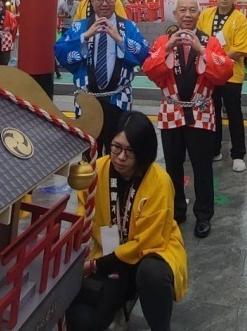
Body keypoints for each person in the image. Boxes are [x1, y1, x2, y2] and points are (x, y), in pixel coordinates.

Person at [66, 111, 186, 331]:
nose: (121, 157)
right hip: (110, 253)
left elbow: (147, 242)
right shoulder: (98, 169)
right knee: (84, 319)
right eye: (116, 147)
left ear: (144, 152)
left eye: (130, 151)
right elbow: (84, 210)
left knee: (153, 275)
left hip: (149, 253)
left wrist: (93, 265)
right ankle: (118, 302)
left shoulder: (159, 182)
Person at [143, 0, 232, 239]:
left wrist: (202, 50)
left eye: (193, 10)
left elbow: (224, 71)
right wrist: (168, 48)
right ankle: (176, 210)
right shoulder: (163, 40)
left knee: (202, 167)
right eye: (183, 10)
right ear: (175, 13)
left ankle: (204, 215)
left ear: (199, 12)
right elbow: (149, 69)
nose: (187, 15)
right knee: (172, 166)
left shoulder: (210, 41)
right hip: (171, 110)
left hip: (201, 110)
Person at [55, 0, 150, 154]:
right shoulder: (80, 26)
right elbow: (60, 50)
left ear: (116, 0)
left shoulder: (128, 27)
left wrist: (120, 40)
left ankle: (113, 183)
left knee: (117, 151)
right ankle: (93, 181)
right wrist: (84, 36)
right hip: (87, 100)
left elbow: (144, 53)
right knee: (88, 150)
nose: (105, 3)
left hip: (119, 98)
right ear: (91, 1)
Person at [198, 0, 247, 170]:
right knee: (212, 113)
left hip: (231, 75)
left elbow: (239, 49)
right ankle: (214, 149)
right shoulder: (205, 15)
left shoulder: (240, 19)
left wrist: (215, 59)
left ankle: (238, 154)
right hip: (210, 74)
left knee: (234, 113)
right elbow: (199, 39)